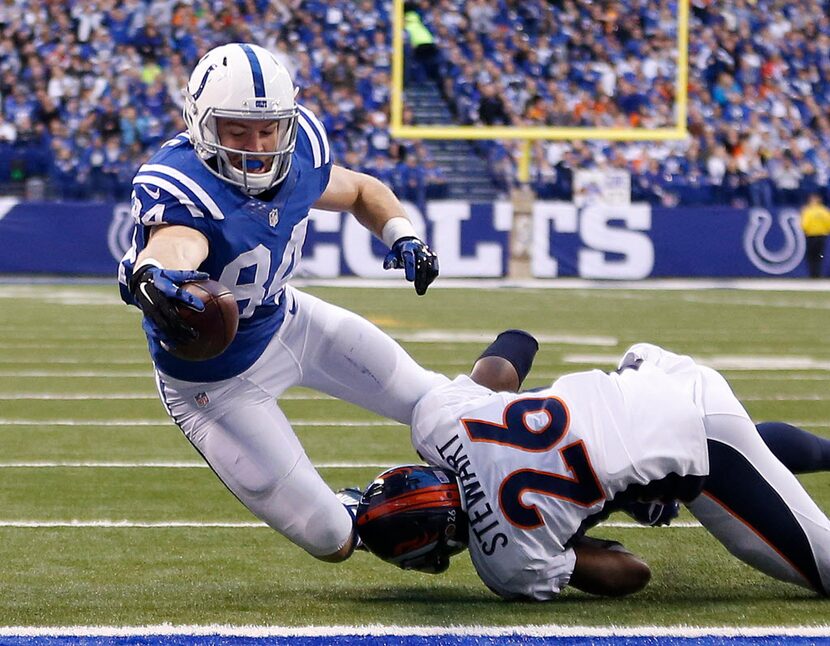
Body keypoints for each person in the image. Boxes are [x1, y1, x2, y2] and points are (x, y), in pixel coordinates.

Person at [117, 43, 442, 563]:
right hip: (214, 386)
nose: (257, 145)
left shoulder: (302, 149)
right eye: (237, 130)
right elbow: (176, 243)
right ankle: (384, 511)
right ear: (201, 124)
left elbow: (359, 190)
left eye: (268, 129)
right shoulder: (182, 184)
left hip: (290, 322)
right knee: (331, 537)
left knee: (437, 403)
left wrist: (402, 234)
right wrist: (155, 274)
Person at [356, 331, 830, 599]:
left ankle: (653, 489)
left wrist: (574, 533)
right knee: (727, 447)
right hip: (652, 371)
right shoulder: (437, 422)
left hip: (701, 446)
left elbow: (631, 572)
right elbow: (509, 356)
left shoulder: (508, 564)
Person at [800, 193, 830, 278]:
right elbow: (828, 224)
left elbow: (804, 225)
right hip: (822, 236)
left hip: (811, 236)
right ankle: (818, 274)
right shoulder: (824, 211)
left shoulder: (808, 211)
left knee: (811, 256)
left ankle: (813, 275)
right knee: (819, 256)